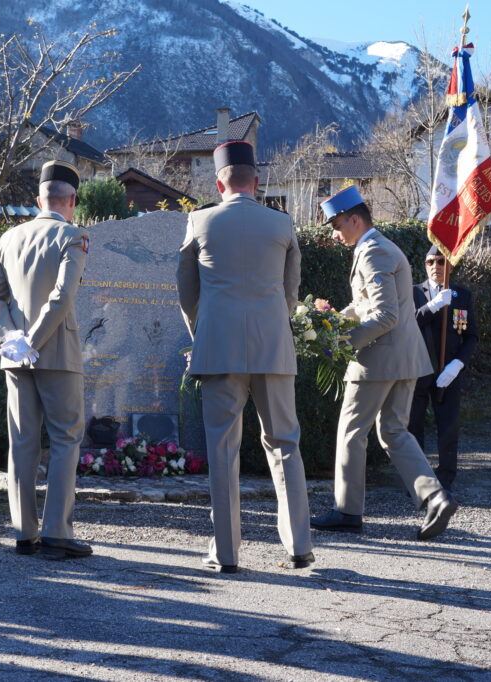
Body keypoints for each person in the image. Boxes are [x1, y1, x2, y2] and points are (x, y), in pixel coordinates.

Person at [177, 140, 313, 573]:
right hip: (272, 347)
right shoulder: (282, 224)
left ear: (219, 183)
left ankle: (227, 553)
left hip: (218, 349)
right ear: (257, 181)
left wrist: (201, 333)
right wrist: (276, 321)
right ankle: (299, 546)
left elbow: (186, 292)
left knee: (222, 449)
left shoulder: (199, 222)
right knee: (285, 445)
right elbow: (291, 293)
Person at [311, 186, 457, 540]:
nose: (334, 232)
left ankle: (347, 510)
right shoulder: (377, 248)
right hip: (404, 358)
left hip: (378, 360)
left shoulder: (373, 251)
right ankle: (435, 498)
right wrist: (328, 321)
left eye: (336, 224)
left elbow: (384, 315)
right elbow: (367, 305)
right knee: (393, 431)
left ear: (355, 219)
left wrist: (343, 342)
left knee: (351, 432)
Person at [0, 160, 92, 560]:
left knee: (23, 443)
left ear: (38, 199)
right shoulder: (72, 236)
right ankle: (57, 533)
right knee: (65, 440)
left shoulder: (10, 238)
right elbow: (62, 297)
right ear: (71, 201)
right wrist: (33, 340)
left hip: (15, 358)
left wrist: (13, 340)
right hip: (58, 352)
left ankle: (24, 533)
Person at [408, 246, 478, 491]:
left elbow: (470, 336)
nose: (435, 267)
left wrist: (457, 365)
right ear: (424, 265)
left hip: (448, 371)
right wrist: (434, 305)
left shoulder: (462, 295)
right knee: (413, 427)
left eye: (441, 261)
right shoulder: (413, 292)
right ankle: (416, 479)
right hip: (417, 371)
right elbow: (408, 324)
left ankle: (446, 478)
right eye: (430, 262)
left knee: (448, 427)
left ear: (450, 265)